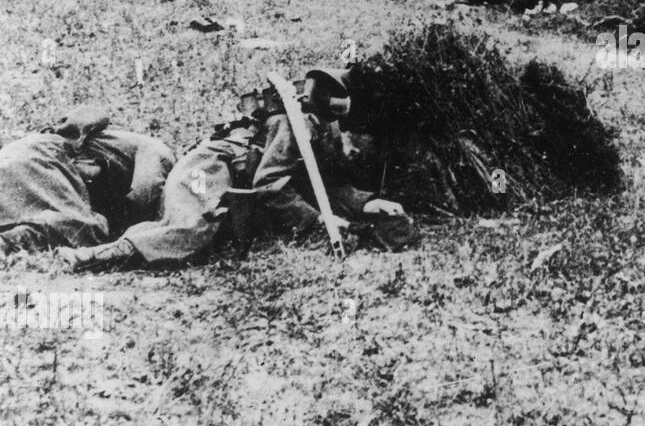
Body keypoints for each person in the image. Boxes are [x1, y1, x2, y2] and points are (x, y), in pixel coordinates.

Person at [59, 67, 411, 272]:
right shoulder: (293, 124)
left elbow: (325, 183)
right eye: (333, 97)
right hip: (208, 169)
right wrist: (320, 221)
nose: (338, 106)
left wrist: (366, 204)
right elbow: (271, 182)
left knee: (210, 234)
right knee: (193, 228)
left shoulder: (323, 129)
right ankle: (91, 257)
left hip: (237, 179)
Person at [0, 106, 174, 259]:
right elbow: (145, 192)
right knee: (84, 227)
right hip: (44, 155)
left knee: (44, 218)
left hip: (15, 155)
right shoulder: (162, 153)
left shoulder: (117, 143)